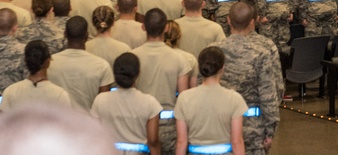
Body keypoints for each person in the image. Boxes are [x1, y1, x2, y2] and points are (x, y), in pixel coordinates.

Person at [215, 2, 284, 155]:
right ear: (253, 22)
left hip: (221, 124)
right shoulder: (266, 48)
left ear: (228, 20)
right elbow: (273, 92)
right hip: (254, 127)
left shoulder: (214, 50)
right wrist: (270, 130)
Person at [133, 8, 193, 155]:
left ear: (143, 26)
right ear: (166, 28)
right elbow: (183, 99)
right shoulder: (180, 60)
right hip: (170, 129)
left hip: (141, 127)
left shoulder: (133, 58)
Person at [175, 47, 247, 155]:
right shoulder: (234, 98)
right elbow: (237, 142)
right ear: (222, 68)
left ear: (199, 68)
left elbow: (181, 142)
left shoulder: (184, 98)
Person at [92, 52, 163, 155]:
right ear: (138, 73)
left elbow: (94, 134)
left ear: (115, 73)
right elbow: (153, 141)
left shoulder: (100, 100)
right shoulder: (150, 103)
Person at [47, 16, 113, 110]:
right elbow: (103, 106)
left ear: (65, 34)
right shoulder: (101, 66)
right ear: (86, 36)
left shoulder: (50, 63)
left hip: (59, 123)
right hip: (89, 123)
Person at [0, 39, 73, 111]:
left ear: (25, 61)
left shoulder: (10, 92)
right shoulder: (60, 95)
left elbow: (2, 120)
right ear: (48, 62)